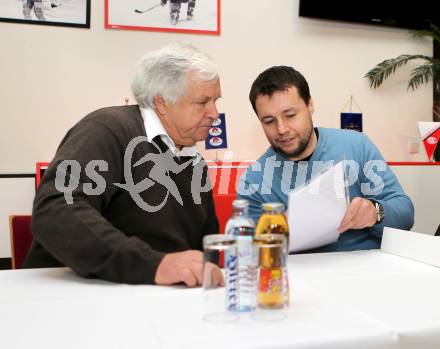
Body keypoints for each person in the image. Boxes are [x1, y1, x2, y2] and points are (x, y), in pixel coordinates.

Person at [23, 43, 221, 286]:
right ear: (162, 103)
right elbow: (56, 210)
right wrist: (153, 264)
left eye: (215, 100)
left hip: (153, 298)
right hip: (71, 296)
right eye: (203, 102)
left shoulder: (192, 158)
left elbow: (201, 247)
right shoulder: (107, 130)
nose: (214, 113)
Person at [237, 66, 414, 252]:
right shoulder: (255, 180)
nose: (281, 129)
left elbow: (406, 214)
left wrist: (375, 212)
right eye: (269, 121)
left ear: (310, 105)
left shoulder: (357, 146)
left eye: (290, 115)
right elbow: (253, 254)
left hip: (369, 267)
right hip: (301, 275)